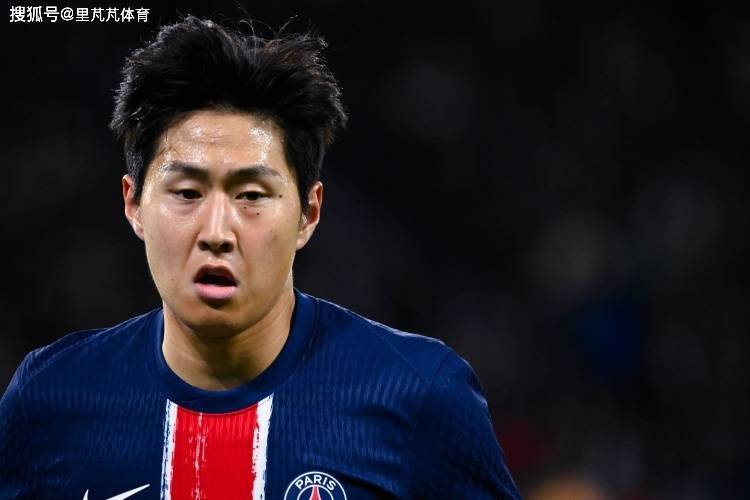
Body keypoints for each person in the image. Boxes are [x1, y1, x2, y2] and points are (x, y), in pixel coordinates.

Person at [0, 16, 520, 499]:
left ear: (309, 213)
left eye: (251, 195)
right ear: (133, 204)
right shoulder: (50, 398)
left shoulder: (419, 396)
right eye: (187, 193)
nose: (217, 232)